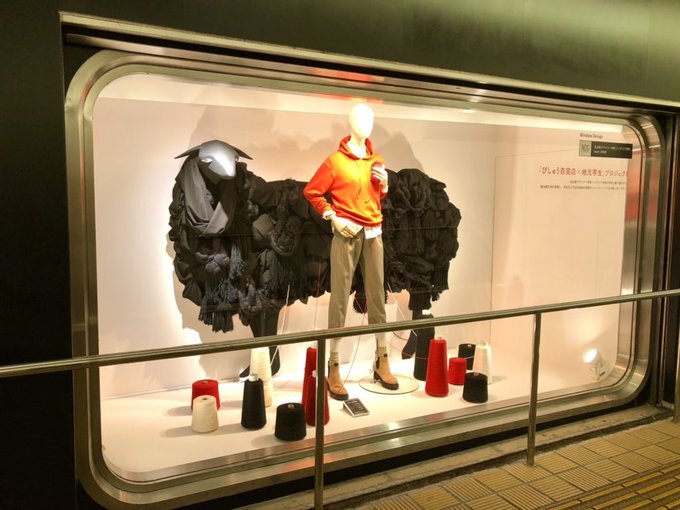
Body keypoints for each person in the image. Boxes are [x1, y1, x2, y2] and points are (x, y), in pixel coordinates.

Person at [303, 103, 398, 400]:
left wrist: (385, 187)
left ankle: (382, 360)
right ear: (349, 122)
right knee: (339, 298)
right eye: (360, 118)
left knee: (377, 297)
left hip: (374, 233)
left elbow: (375, 196)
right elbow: (312, 191)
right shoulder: (335, 161)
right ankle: (333, 365)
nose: (366, 123)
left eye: (370, 118)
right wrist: (333, 216)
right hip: (346, 234)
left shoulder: (376, 160)